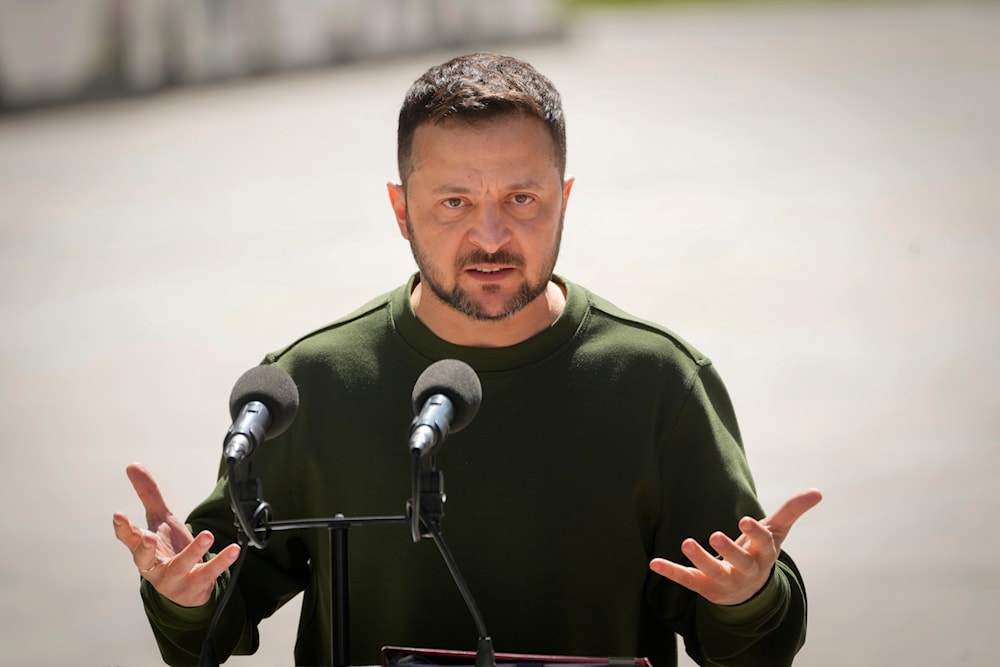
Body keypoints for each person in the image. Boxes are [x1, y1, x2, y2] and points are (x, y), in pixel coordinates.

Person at [113, 52, 821, 667]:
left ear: (564, 199)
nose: (490, 235)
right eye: (454, 201)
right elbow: (213, 621)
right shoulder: (312, 384)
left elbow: (753, 649)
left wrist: (748, 599)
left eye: (522, 198)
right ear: (400, 209)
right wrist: (183, 595)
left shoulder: (657, 380)